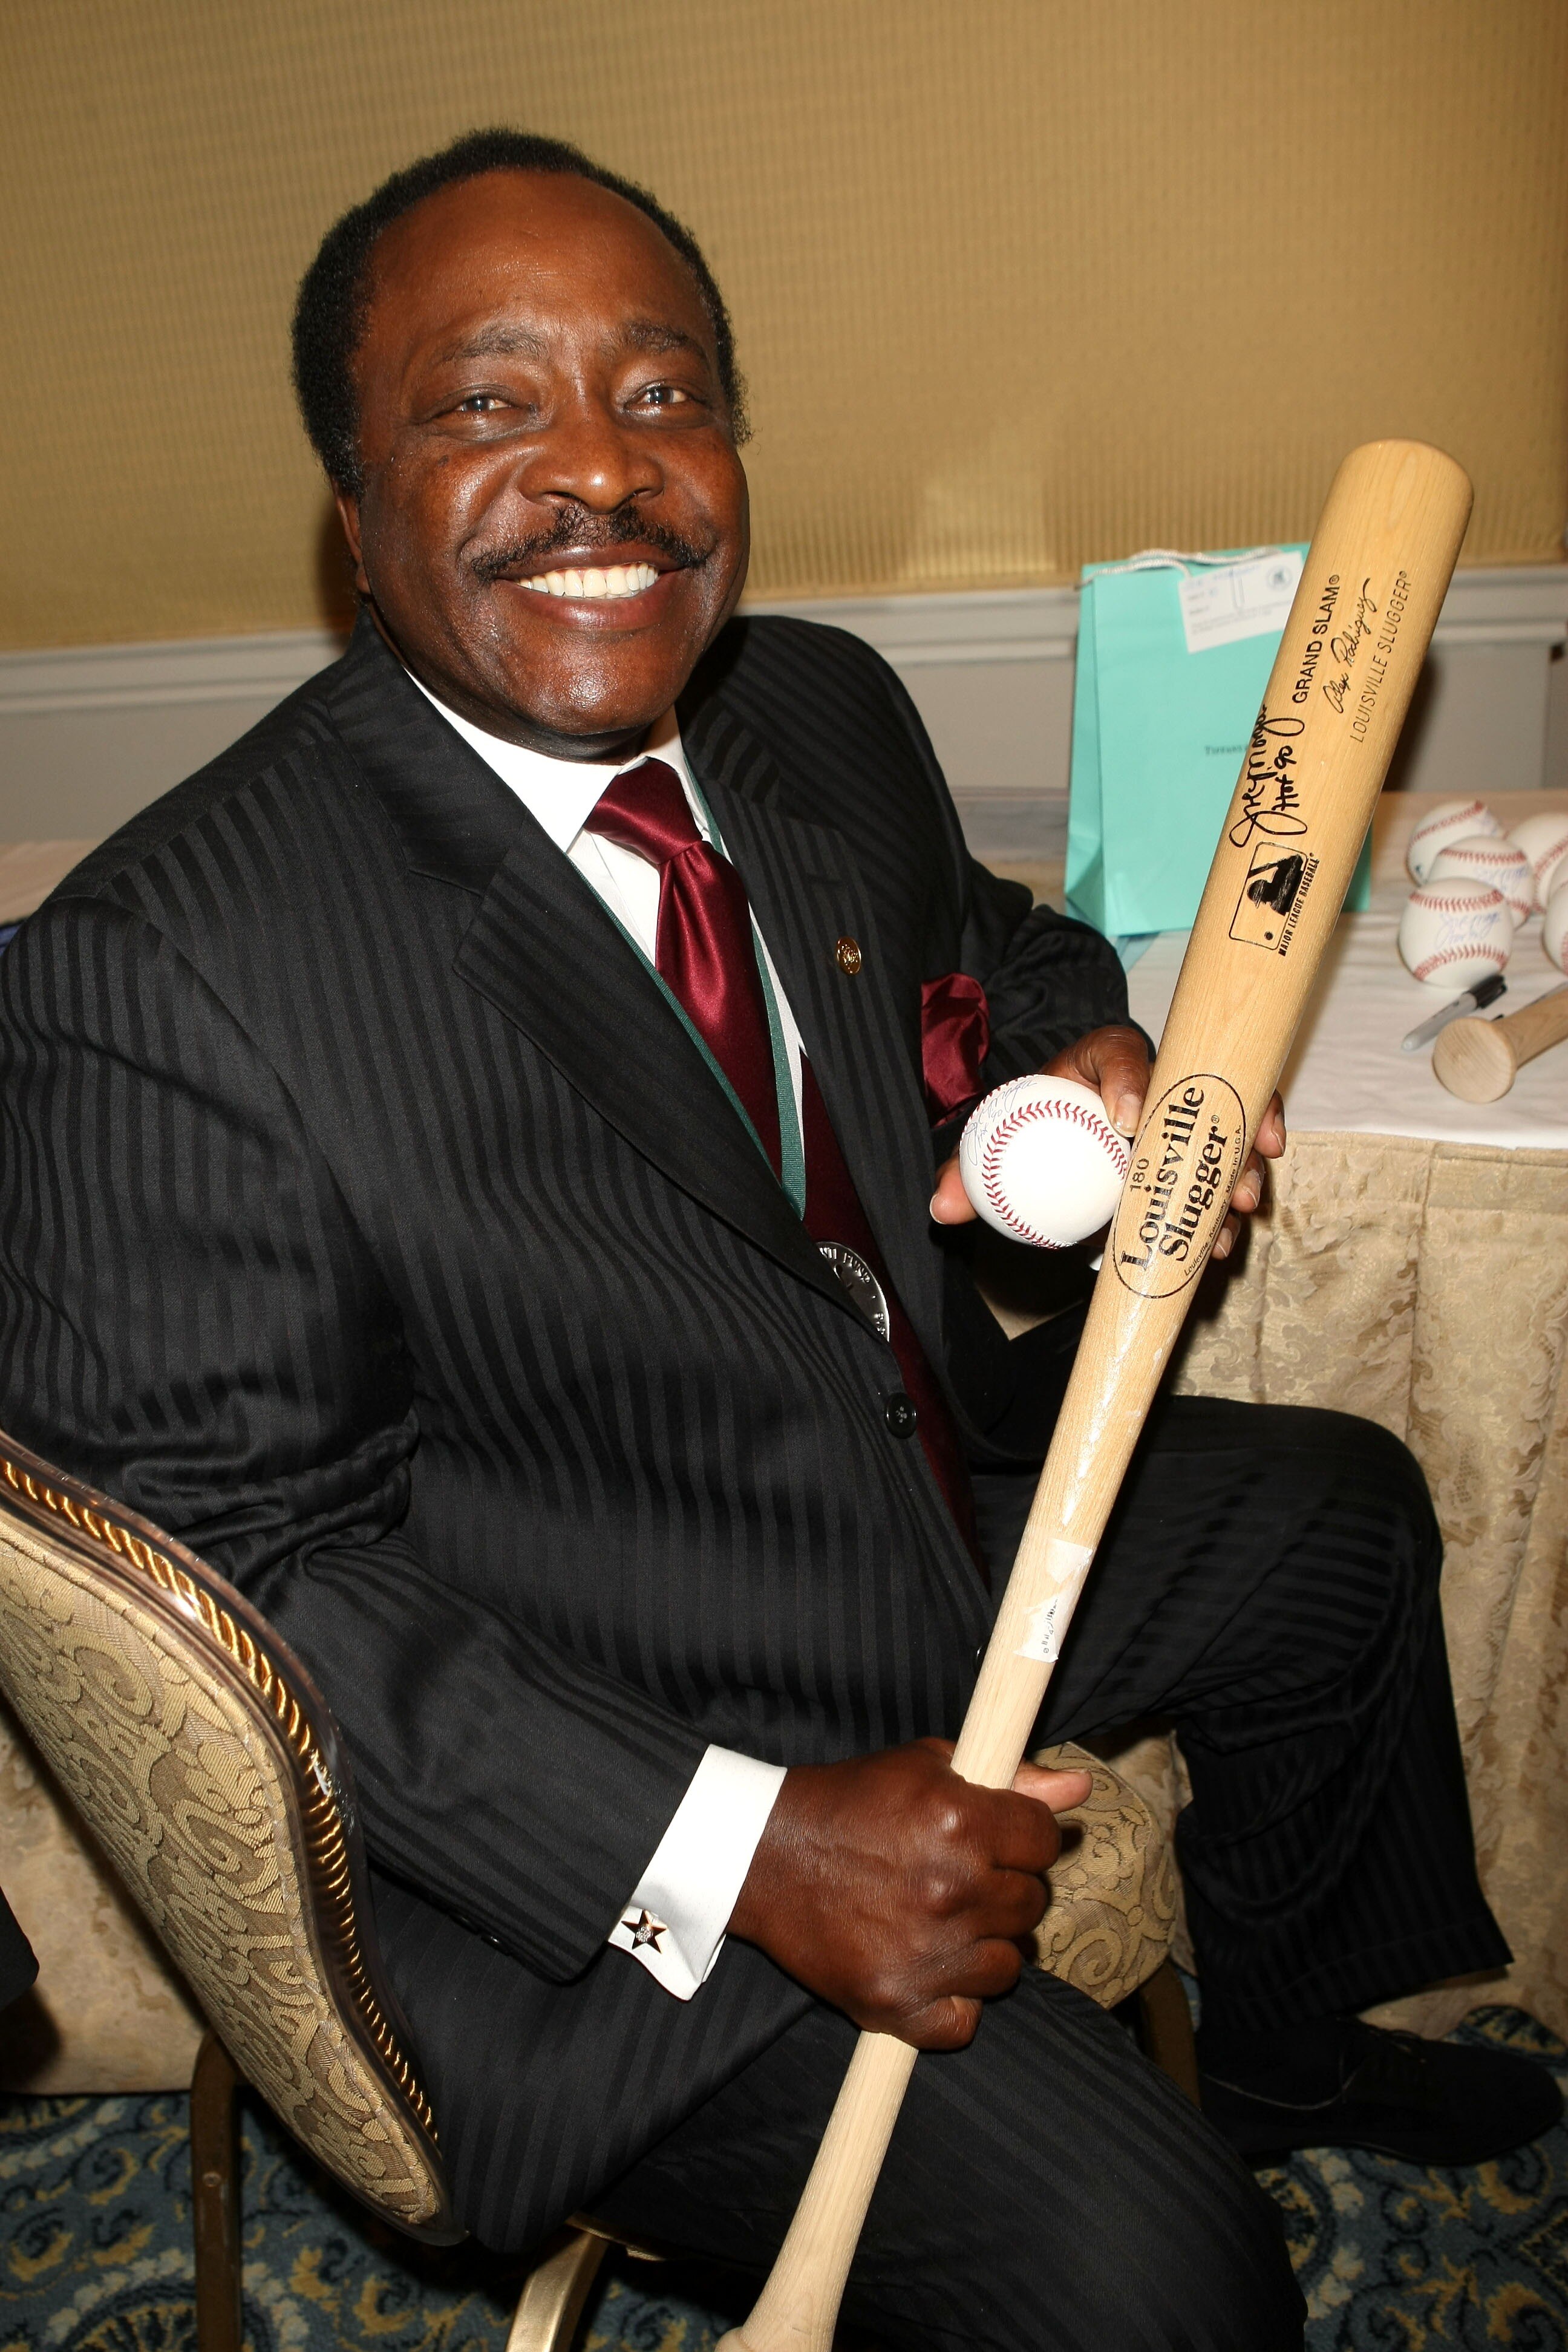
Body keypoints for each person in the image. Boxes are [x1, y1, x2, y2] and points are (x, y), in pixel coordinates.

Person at [0, 129, 1557, 2352]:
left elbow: (996, 944)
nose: (599, 472)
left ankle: (1291, 2047)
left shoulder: (811, 704)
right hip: (609, 1770)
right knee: (1152, 2284)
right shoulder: (167, 967)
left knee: (1335, 1521)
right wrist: (760, 1847)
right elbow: (254, 1582)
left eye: (661, 392)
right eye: (484, 403)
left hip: (899, 1521)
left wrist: (1095, 1045)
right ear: (353, 507)